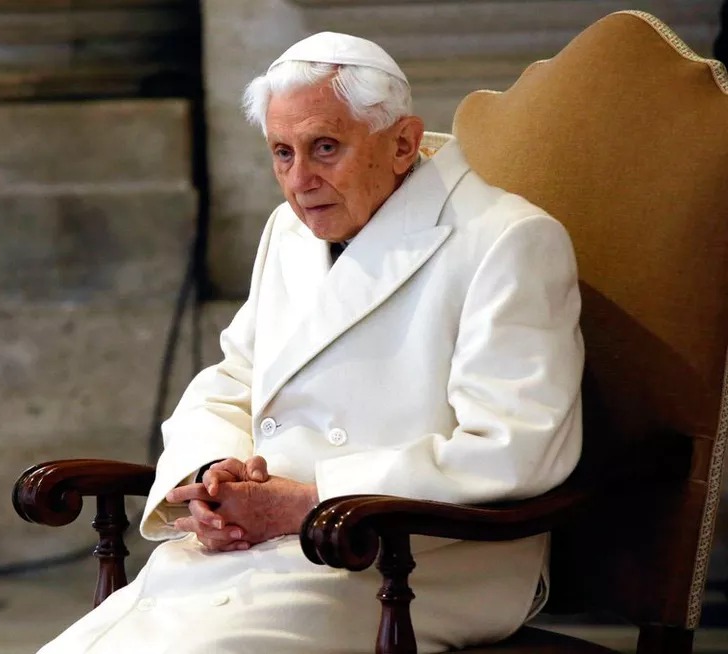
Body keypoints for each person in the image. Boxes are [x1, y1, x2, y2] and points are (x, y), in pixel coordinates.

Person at [39, 31, 583, 654]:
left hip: (403, 563)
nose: (300, 181)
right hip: (261, 549)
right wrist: (211, 477)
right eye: (281, 153)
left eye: (325, 148)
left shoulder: (506, 240)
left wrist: (307, 503)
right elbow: (234, 378)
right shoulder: (290, 232)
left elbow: (515, 449)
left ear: (402, 142)